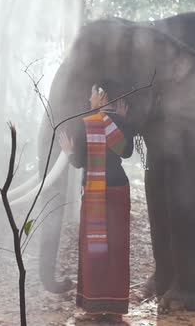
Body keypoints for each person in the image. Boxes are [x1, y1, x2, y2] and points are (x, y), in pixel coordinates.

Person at [59, 79, 134, 322]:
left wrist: (69, 151)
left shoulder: (86, 124)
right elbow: (127, 152)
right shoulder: (121, 120)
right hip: (118, 190)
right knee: (117, 249)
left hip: (94, 191)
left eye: (91, 93)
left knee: (96, 248)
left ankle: (94, 304)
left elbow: (79, 162)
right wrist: (120, 121)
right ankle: (115, 308)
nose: (88, 99)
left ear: (101, 95)